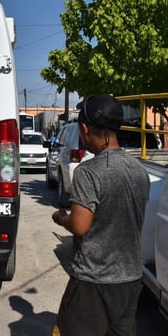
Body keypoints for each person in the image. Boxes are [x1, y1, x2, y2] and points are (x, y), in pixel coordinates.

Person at [51, 94, 150, 336]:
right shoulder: (140, 170)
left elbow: (80, 226)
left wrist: (61, 218)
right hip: (130, 280)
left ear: (85, 128)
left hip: (93, 283)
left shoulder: (89, 171)